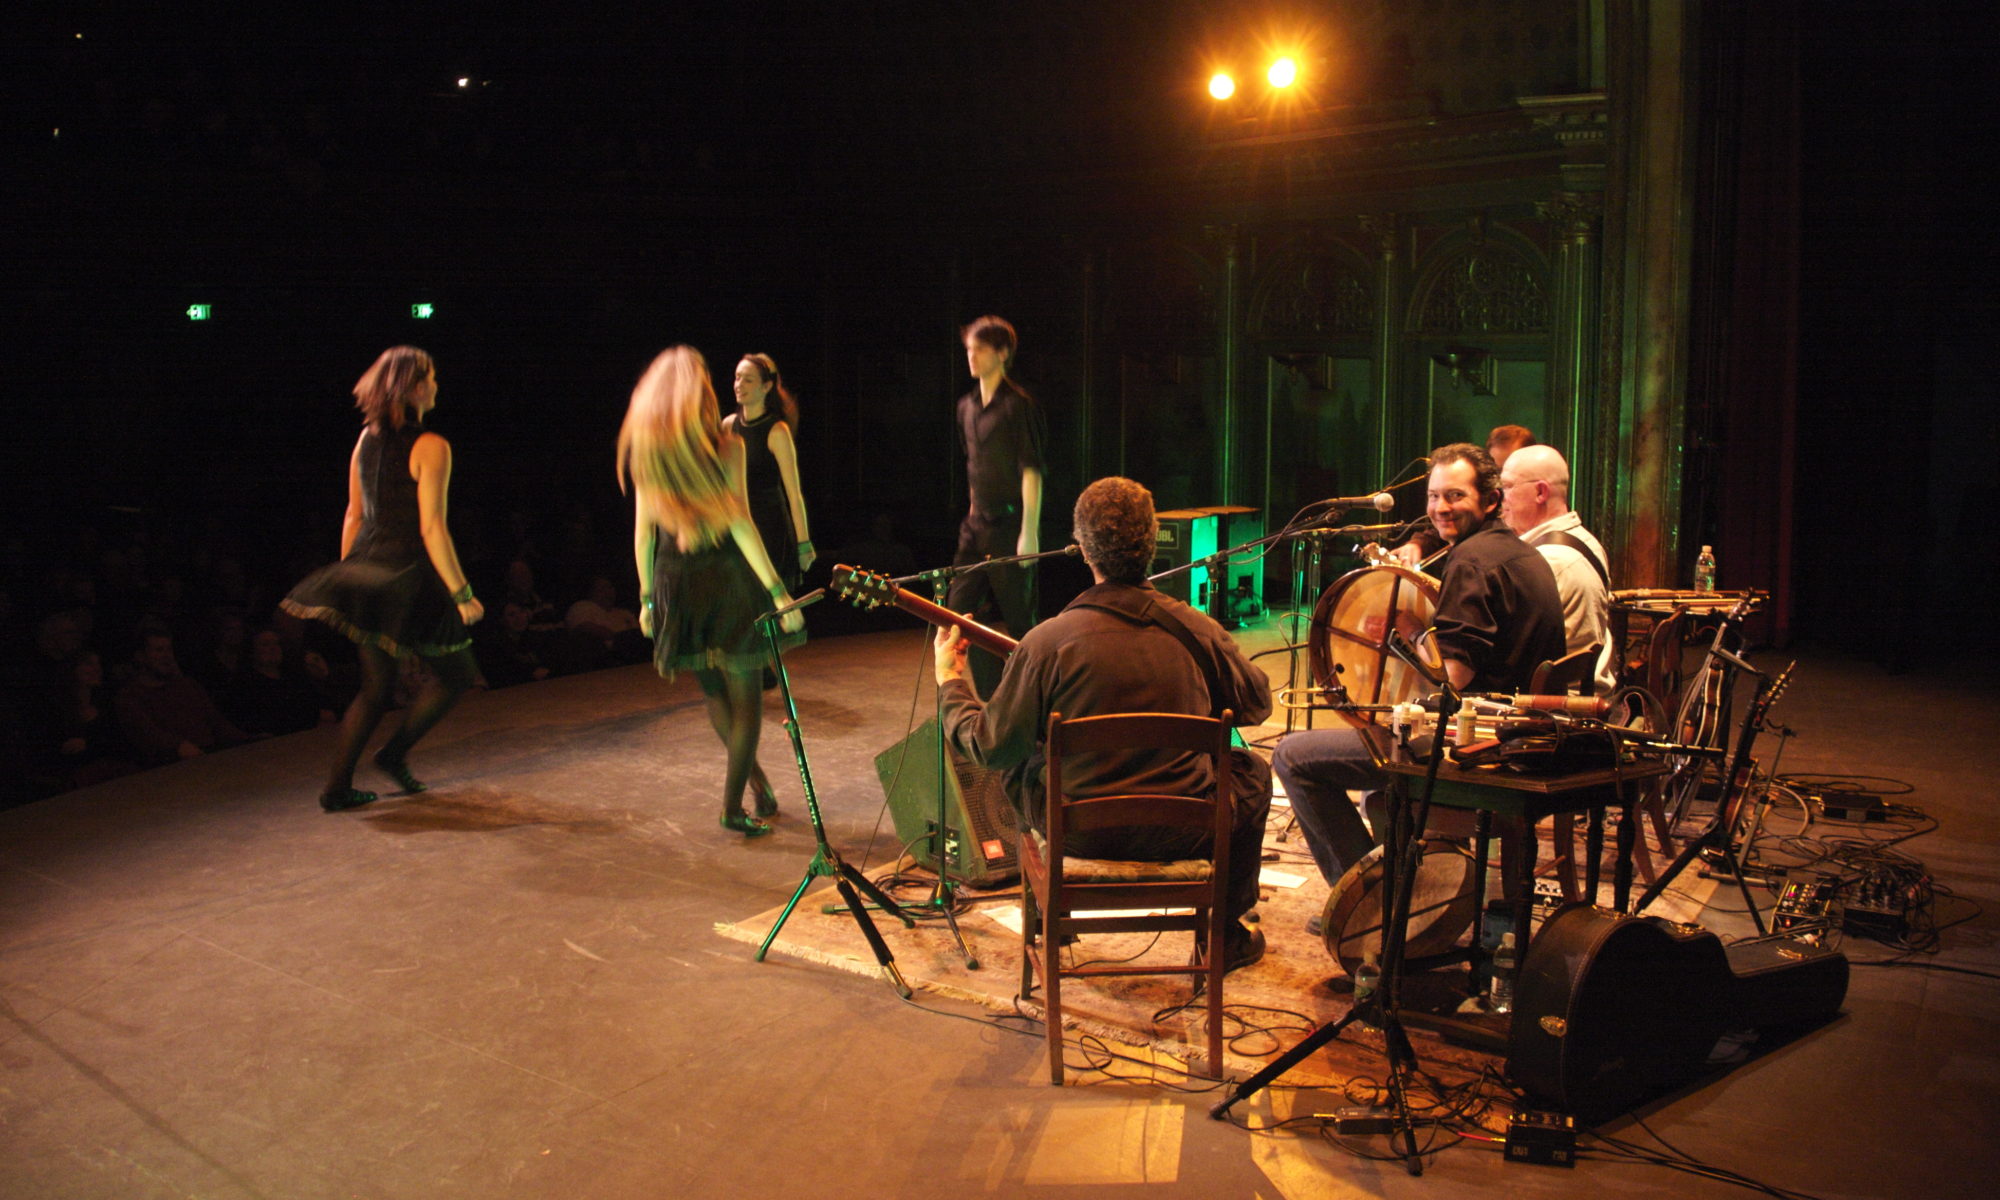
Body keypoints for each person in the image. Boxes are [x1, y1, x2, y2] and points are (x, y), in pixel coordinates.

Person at [934, 477, 1272, 971]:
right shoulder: (1198, 629)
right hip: (1186, 832)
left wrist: (951, 683)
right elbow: (1256, 703)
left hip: (1079, 836)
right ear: (1153, 543)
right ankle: (1224, 935)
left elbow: (988, 746)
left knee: (1018, 756)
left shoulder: (1045, 643)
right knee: (1253, 771)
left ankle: (1053, 921)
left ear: (1081, 549)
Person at [1273, 443, 1566, 885]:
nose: (1440, 508)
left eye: (1454, 496)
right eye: (1434, 496)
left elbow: (1454, 678)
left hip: (1475, 750)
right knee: (1376, 763)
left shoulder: (1471, 563)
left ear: (1490, 499)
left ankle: (1365, 902)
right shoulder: (1521, 553)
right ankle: (1406, 892)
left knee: (1292, 756)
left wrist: (1410, 632)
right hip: (1518, 738)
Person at [281, 346, 485, 812]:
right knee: (456, 675)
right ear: (413, 387)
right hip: (410, 573)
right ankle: (392, 755)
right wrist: (462, 592)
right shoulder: (431, 446)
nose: (436, 385)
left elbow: (354, 513)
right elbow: (431, 527)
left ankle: (337, 787)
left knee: (376, 687)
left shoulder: (365, 439)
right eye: (431, 377)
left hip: (368, 570)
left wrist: (351, 572)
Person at [618, 346, 806, 837]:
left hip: (676, 586)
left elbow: (643, 535)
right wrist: (778, 593)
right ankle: (732, 805)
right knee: (745, 702)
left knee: (713, 694)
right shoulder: (727, 446)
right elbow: (740, 522)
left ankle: (756, 785)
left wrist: (646, 600)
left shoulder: (649, 453)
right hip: (726, 584)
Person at [948, 316, 1046, 697]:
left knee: (1021, 621)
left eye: (979, 349)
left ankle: (1037, 702)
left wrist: (1030, 531)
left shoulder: (1018, 406)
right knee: (960, 614)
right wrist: (972, 512)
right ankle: (990, 698)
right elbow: (974, 463)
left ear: (1002, 353)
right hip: (975, 526)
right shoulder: (966, 407)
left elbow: (1031, 470)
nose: (971, 356)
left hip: (1010, 525)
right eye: (968, 349)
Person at [1499, 445, 1616, 695]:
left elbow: (1508, 653)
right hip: (1579, 699)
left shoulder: (1548, 561)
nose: (1500, 498)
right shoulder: (1585, 540)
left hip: (1558, 711)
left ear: (1540, 492)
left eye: (1507, 487)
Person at [728, 354, 814, 591]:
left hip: (770, 528)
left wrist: (803, 542)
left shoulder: (776, 431)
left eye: (748, 380)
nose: (739, 385)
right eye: (737, 378)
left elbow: (793, 494)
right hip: (739, 527)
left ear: (766, 387)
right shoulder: (728, 426)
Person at [113, 627, 251, 766]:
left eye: (169, 650)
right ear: (141, 656)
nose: (167, 656)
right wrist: (178, 746)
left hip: (209, 756)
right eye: (159, 650)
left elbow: (216, 722)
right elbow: (149, 734)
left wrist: (247, 740)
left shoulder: (187, 685)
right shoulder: (130, 697)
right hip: (169, 767)